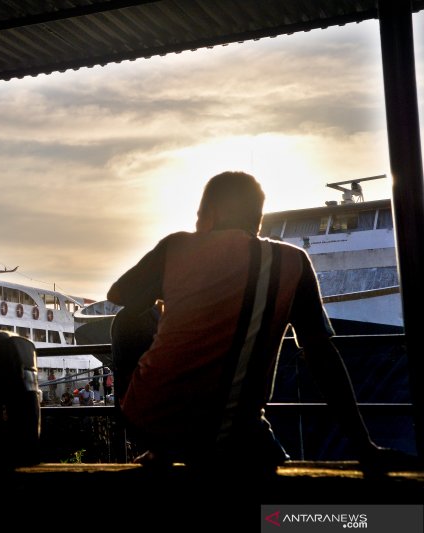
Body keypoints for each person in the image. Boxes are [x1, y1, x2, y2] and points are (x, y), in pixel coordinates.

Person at [107, 170, 401, 477]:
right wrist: (363, 445)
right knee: (258, 442)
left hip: (150, 423)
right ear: (257, 219)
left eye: (199, 216)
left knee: (127, 319)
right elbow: (321, 355)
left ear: (212, 214)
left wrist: (165, 295)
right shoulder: (293, 263)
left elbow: (118, 294)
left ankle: (161, 448)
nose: (196, 225)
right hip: (235, 432)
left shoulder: (177, 247)